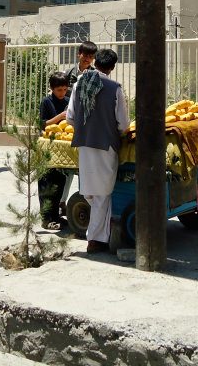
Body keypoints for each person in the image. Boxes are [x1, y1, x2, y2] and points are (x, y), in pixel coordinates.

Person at [67, 49, 129, 254]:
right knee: (102, 194)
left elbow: (70, 118)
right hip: (106, 145)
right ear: (112, 67)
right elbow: (124, 125)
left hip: (84, 144)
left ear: (96, 62)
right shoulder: (114, 88)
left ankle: (100, 235)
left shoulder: (78, 85)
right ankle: (95, 239)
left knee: (90, 191)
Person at [38, 71, 72, 229]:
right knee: (46, 183)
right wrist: (60, 117)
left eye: (65, 89)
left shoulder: (68, 101)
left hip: (61, 148)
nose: (62, 93)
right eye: (59, 90)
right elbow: (43, 124)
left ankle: (56, 215)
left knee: (60, 181)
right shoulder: (47, 102)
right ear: (52, 88)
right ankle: (46, 218)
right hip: (48, 147)